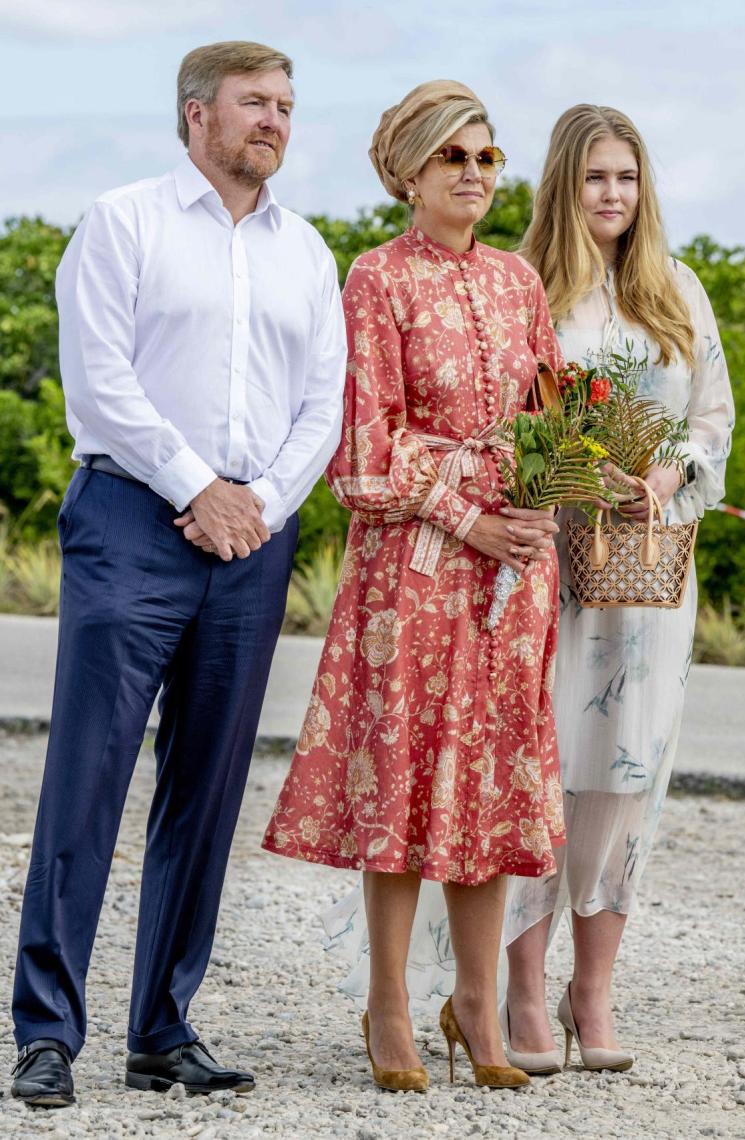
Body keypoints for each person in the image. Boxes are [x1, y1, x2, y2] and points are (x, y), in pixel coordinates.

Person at [10, 41, 346, 1108]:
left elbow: (322, 405)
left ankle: (162, 1029)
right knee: (90, 778)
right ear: (195, 115)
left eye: (287, 106)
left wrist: (259, 507)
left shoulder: (309, 253)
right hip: (131, 519)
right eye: (255, 103)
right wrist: (200, 487)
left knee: (203, 793)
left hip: (253, 543)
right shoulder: (123, 222)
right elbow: (100, 378)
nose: (275, 121)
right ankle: (46, 1031)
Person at [263, 80, 565, 1092]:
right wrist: (468, 513)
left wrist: (554, 497)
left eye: (487, 158)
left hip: (513, 572)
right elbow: (366, 444)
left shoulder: (522, 284)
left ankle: (477, 1004)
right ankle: (387, 1004)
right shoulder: (377, 279)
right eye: (454, 159)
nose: (475, 176)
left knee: (489, 779)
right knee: (402, 778)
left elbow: (557, 412)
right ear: (409, 171)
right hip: (417, 566)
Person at [500, 104, 735, 1074]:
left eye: (627, 179)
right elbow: (507, 413)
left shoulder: (676, 290)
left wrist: (672, 471)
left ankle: (590, 994)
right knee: (542, 774)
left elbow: (713, 414)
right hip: (550, 572)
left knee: (626, 781)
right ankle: (518, 992)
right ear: (565, 183)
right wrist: (579, 472)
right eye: (596, 178)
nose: (613, 196)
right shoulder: (525, 288)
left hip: (651, 581)